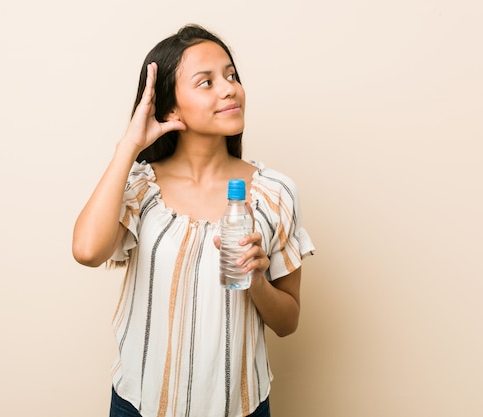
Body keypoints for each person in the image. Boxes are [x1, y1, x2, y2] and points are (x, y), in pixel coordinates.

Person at [72, 24, 315, 417]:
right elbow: (86, 250)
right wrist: (129, 145)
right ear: (170, 109)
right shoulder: (140, 187)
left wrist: (256, 280)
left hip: (242, 407)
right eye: (206, 82)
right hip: (139, 405)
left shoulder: (274, 194)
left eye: (231, 75)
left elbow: (288, 321)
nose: (228, 88)